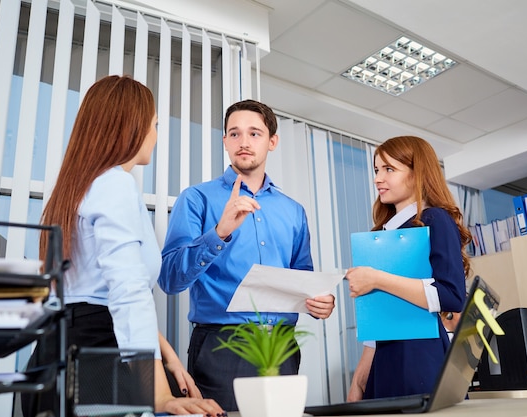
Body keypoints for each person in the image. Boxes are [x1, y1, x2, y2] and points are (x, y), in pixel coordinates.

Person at [25, 75, 224, 417]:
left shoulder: (77, 189)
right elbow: (127, 292)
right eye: (155, 125)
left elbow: (99, 296)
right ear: (132, 127)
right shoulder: (116, 184)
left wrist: (168, 355)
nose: (156, 136)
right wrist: (159, 394)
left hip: (55, 355)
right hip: (95, 362)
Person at [157, 99, 336, 411]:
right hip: (222, 347)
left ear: (272, 141)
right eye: (234, 133)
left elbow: (302, 280)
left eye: (254, 133)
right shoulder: (197, 199)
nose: (244, 142)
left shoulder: (293, 211)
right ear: (225, 140)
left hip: (281, 346)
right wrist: (220, 232)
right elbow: (170, 280)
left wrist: (318, 300)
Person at [345, 135, 471, 401]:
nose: (378, 178)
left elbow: (451, 295)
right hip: (386, 359)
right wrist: (359, 380)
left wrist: (377, 278)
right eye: (377, 170)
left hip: (420, 358)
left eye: (389, 169)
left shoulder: (434, 218)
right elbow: (382, 317)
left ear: (417, 174)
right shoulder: (383, 233)